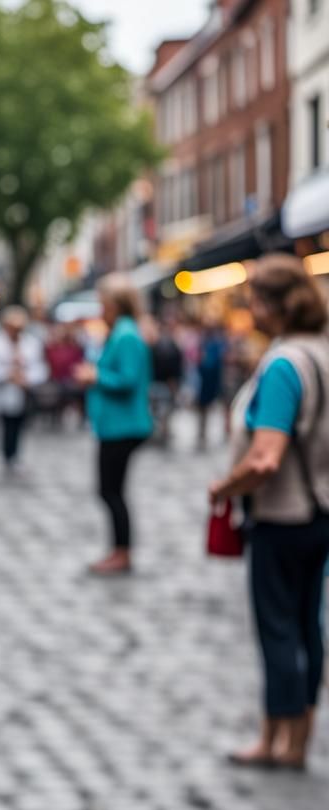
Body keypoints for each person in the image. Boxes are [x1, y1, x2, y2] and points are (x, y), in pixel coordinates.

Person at [208, 254, 329, 770]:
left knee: (277, 628)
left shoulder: (285, 364)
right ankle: (297, 738)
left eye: (254, 299)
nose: (249, 309)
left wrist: (223, 487)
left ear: (274, 307)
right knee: (308, 625)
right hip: (322, 510)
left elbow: (266, 456)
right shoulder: (324, 351)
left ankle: (276, 739)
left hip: (283, 516)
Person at [74, 275, 153, 574]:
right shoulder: (121, 332)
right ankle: (119, 550)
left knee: (111, 491)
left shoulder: (126, 335)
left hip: (123, 426)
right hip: (115, 425)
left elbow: (129, 380)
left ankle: (122, 551)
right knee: (110, 490)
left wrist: (95, 376)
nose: (100, 309)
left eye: (103, 303)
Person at [0, 305, 48, 472]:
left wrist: (27, 379)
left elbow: (41, 369)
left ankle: (14, 455)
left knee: (19, 425)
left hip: (24, 394)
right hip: (3, 393)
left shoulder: (31, 343)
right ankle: (7, 455)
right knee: (6, 425)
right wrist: (8, 375)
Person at [149, 314, 184, 447]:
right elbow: (177, 367)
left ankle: (158, 433)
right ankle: (162, 432)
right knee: (164, 412)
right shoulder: (172, 345)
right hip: (165, 384)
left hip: (156, 383)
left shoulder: (155, 344)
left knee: (156, 411)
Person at [196, 317, 227, 449]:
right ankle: (202, 431)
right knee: (203, 407)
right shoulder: (207, 342)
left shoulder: (215, 343)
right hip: (206, 379)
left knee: (217, 405)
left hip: (213, 379)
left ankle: (223, 430)